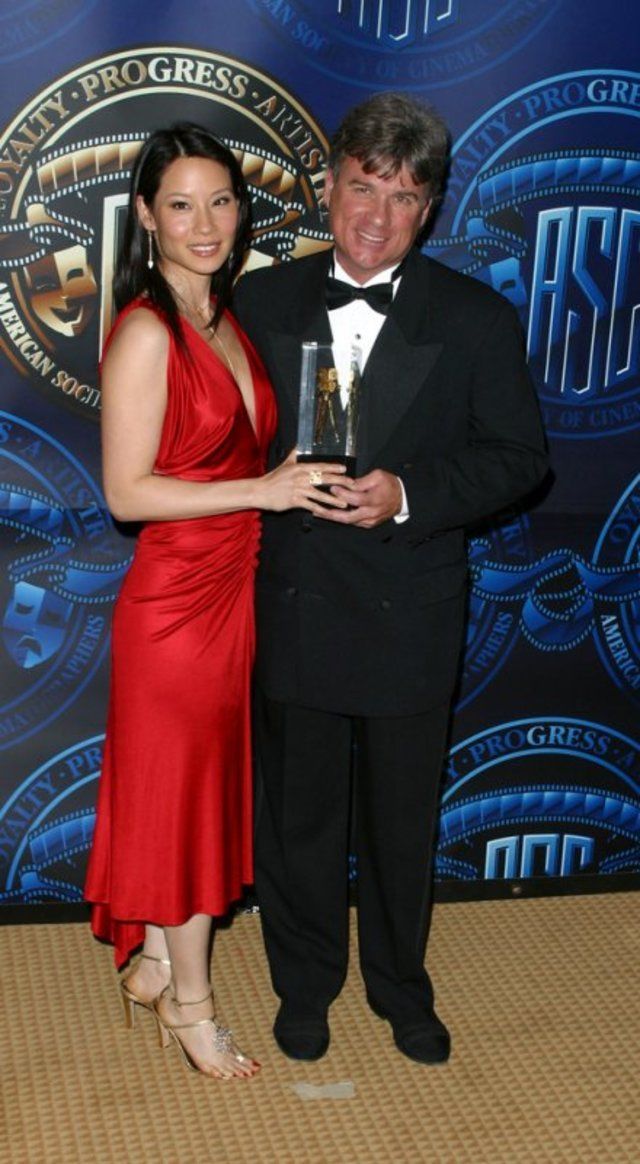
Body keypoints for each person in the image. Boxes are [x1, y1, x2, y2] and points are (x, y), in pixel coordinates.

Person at [233, 92, 548, 1065]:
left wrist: (409, 492)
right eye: (364, 187)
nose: (377, 215)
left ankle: (401, 986)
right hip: (294, 599)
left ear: (431, 210)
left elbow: (520, 458)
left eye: (404, 197)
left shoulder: (476, 317)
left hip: (409, 607)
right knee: (299, 817)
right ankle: (303, 985)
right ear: (328, 187)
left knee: (401, 821)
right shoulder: (258, 303)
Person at [84, 123, 347, 1080]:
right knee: (190, 802)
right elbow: (127, 493)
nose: (205, 224)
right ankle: (191, 1004)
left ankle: (159, 962)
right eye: (181, 205)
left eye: (222, 202)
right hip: (175, 607)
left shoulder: (224, 318)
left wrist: (290, 476)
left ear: (242, 212)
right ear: (146, 217)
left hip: (233, 588)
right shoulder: (148, 331)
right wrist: (261, 490)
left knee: (191, 794)